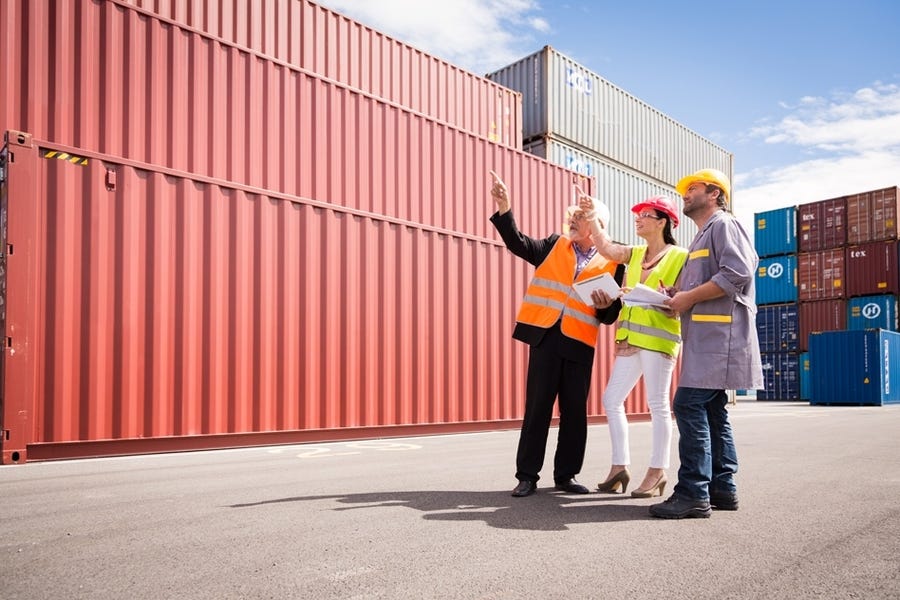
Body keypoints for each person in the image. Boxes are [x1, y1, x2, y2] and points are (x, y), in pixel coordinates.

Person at [489, 170, 624, 497]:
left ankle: (566, 475)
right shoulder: (553, 244)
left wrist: (606, 305)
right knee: (537, 408)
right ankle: (527, 476)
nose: (573, 220)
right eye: (573, 216)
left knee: (574, 413)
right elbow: (517, 243)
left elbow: (609, 316)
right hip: (546, 338)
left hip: (579, 343)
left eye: (581, 216)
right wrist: (505, 207)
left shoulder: (614, 262)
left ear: (598, 225)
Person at [649, 168, 763, 519]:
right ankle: (722, 489)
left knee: (687, 405)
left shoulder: (724, 225)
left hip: (720, 338)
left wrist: (687, 299)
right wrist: (674, 295)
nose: (685, 193)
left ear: (714, 193)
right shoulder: (702, 236)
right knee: (714, 412)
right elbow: (703, 283)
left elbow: (737, 273)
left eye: (692, 188)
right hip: (708, 339)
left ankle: (692, 492)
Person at [580, 193, 688, 498]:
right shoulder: (636, 253)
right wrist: (591, 215)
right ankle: (619, 468)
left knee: (657, 405)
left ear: (662, 222)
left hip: (658, 338)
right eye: (637, 215)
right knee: (612, 399)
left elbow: (685, 297)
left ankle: (657, 471)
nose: (638, 219)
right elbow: (606, 247)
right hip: (630, 338)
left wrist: (674, 296)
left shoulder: (681, 256)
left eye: (645, 215)